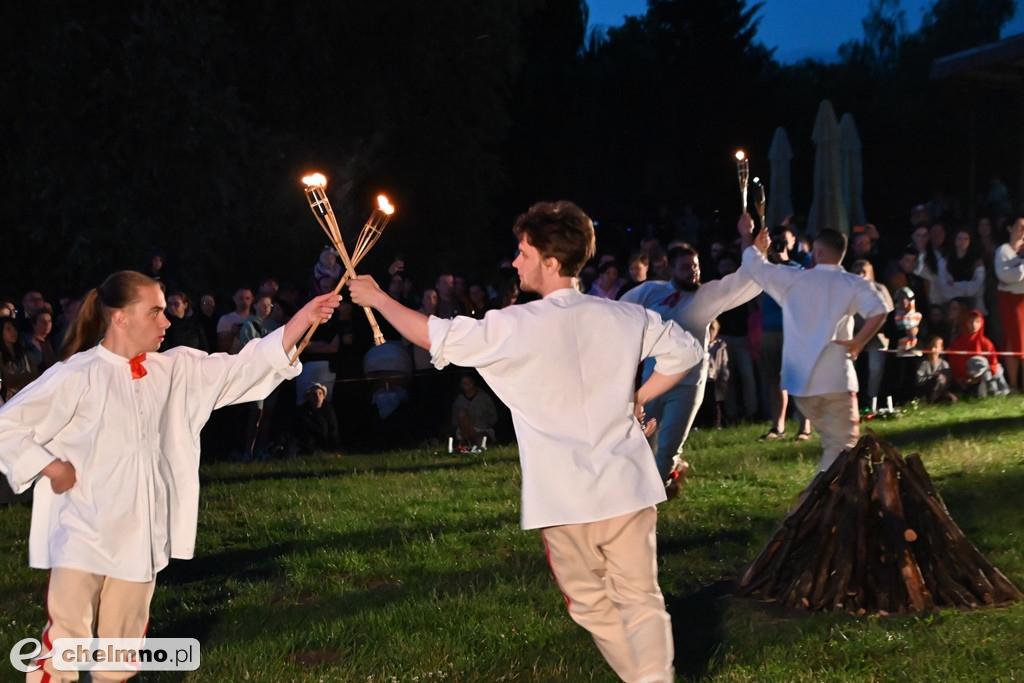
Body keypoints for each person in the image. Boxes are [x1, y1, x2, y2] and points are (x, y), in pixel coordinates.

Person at [349, 200, 701, 683]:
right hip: (628, 485)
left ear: (550, 263)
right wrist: (638, 397)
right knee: (641, 599)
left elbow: (435, 336)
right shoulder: (624, 317)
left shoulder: (515, 326)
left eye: (523, 252)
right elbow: (685, 354)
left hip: (565, 498)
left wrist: (379, 299)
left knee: (592, 605)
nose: (515, 262)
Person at [0, 270, 338, 683]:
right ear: (121, 318)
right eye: (156, 312)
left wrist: (303, 318)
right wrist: (50, 466)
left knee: (119, 655)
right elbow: (7, 427)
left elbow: (242, 369)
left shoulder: (175, 369)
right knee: (65, 649)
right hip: (82, 535)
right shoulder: (77, 374)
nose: (166, 322)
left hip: (139, 540)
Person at [743, 220, 891, 471]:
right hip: (835, 381)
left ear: (818, 252)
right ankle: (812, 503)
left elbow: (753, 266)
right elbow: (880, 310)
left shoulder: (794, 280)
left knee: (836, 447)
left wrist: (749, 238)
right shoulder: (853, 283)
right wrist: (858, 342)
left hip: (801, 386)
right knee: (843, 448)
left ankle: (827, 502)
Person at [620, 223, 760, 483]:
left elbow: (745, 281)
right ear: (670, 268)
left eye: (696, 266)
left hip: (687, 385)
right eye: (686, 267)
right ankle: (639, 490)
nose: (693, 272)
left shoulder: (705, 296)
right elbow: (615, 312)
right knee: (639, 440)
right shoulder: (651, 292)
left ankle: (652, 499)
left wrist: (748, 241)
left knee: (669, 447)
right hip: (654, 381)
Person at [948, 309, 1011, 398]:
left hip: (982, 379)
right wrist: (960, 378)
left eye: (977, 321)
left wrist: (980, 377)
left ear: (982, 323)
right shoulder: (957, 343)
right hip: (963, 381)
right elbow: (953, 364)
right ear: (966, 322)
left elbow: (993, 363)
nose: (974, 325)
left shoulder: (986, 343)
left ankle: (999, 390)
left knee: (997, 370)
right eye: (971, 321)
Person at [994, 215, 1024, 392]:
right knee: (1014, 342)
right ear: (1009, 228)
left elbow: (1015, 276)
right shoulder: (1003, 250)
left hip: (1022, 298)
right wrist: (1019, 270)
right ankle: (1013, 385)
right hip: (1011, 301)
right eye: (1019, 226)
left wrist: (1016, 272)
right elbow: (1005, 276)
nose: (1022, 231)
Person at [284, 382, 340, 457]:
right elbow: (300, 432)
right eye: (314, 394)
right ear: (308, 397)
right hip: (306, 442)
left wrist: (334, 448)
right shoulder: (302, 411)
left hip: (323, 442)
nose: (318, 397)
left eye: (320, 394)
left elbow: (333, 430)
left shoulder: (328, 410)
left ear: (323, 396)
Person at [450, 372, 498, 448]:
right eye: (464, 383)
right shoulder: (459, 400)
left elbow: (492, 415)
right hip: (465, 431)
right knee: (462, 413)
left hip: (482, 429)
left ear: (473, 382)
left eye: (469, 382)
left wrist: (486, 425)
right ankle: (465, 442)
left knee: (480, 441)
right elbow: (455, 420)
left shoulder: (484, 397)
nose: (467, 385)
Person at [1, 316, 40, 402]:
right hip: (12, 401)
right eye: (8, 329)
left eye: (14, 328)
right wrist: (26, 376)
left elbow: (35, 374)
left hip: (29, 394)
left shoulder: (22, 352)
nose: (13, 332)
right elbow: (8, 381)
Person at [915, 335, 957, 404]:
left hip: (940, 391)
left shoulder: (944, 364)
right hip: (925, 390)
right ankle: (929, 401)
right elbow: (918, 380)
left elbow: (948, 380)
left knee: (952, 399)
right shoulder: (923, 363)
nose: (932, 350)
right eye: (930, 347)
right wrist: (933, 377)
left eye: (935, 347)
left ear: (941, 349)